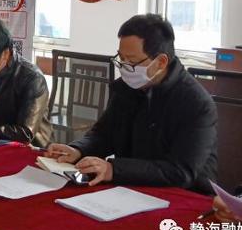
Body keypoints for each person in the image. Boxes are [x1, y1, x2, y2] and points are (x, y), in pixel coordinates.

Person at [46, 13, 217, 194]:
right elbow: (104, 134)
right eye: (121, 59)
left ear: (160, 62)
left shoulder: (196, 103)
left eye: (132, 61)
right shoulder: (126, 88)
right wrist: (78, 150)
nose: (125, 68)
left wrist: (113, 169)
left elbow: (180, 171)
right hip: (129, 188)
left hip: (183, 196)